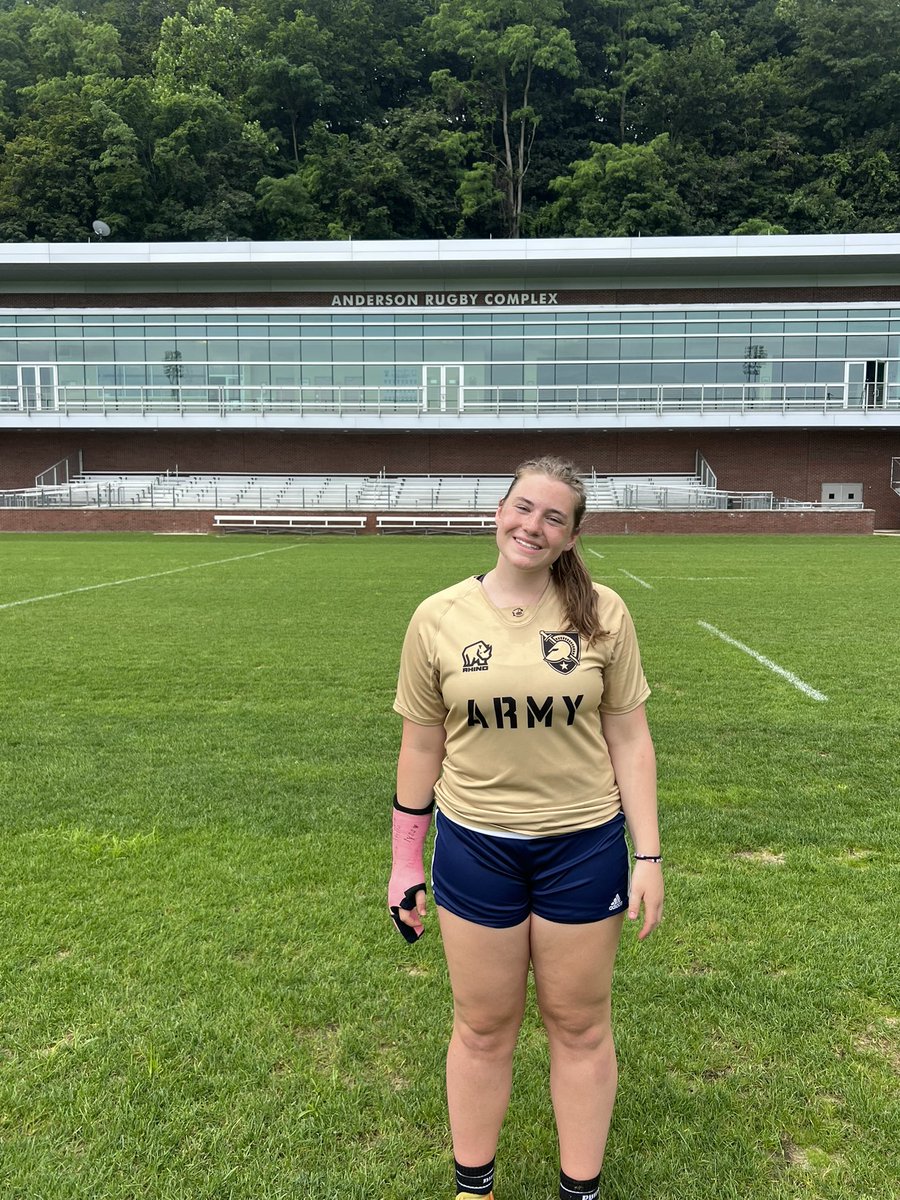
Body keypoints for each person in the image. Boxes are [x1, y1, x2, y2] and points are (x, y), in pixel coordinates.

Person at [389, 455, 663, 1200]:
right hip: (477, 846)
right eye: (522, 508)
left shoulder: (603, 613)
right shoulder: (438, 616)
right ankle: (473, 1187)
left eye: (553, 517)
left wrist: (650, 854)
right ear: (498, 511)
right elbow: (422, 746)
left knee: (579, 1026)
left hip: (583, 846)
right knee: (482, 1027)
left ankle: (582, 1191)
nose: (532, 526)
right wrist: (404, 864)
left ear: (572, 536)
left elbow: (630, 740)